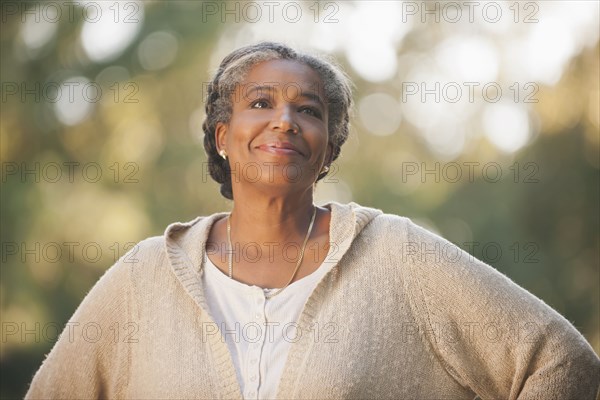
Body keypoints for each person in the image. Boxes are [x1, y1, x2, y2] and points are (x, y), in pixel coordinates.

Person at [26, 42, 599, 399]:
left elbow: (560, 363)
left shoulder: (397, 254)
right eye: (261, 103)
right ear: (223, 137)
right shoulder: (144, 277)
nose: (285, 122)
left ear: (329, 148)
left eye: (308, 110)